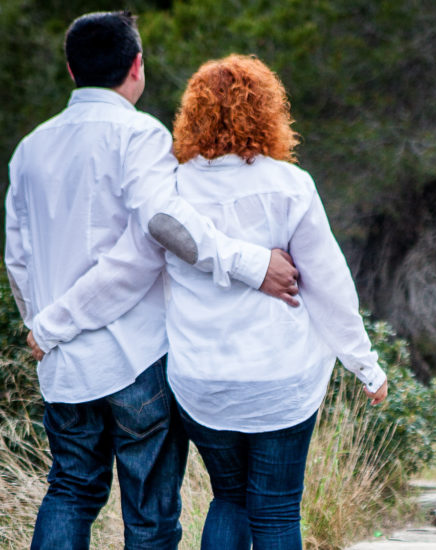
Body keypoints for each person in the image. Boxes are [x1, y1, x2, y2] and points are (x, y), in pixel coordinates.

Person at [5, 11, 299, 549]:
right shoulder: (139, 134)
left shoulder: (30, 149)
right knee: (150, 521)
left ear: (72, 69)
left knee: (69, 492)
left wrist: (44, 326)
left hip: (63, 363)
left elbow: (17, 258)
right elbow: (155, 237)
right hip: (136, 358)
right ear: (136, 66)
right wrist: (253, 265)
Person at [163, 54, 387, 549]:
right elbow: (329, 286)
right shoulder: (290, 186)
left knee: (229, 498)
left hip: (203, 380)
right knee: (278, 507)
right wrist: (366, 366)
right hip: (279, 379)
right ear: (267, 112)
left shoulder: (171, 188)